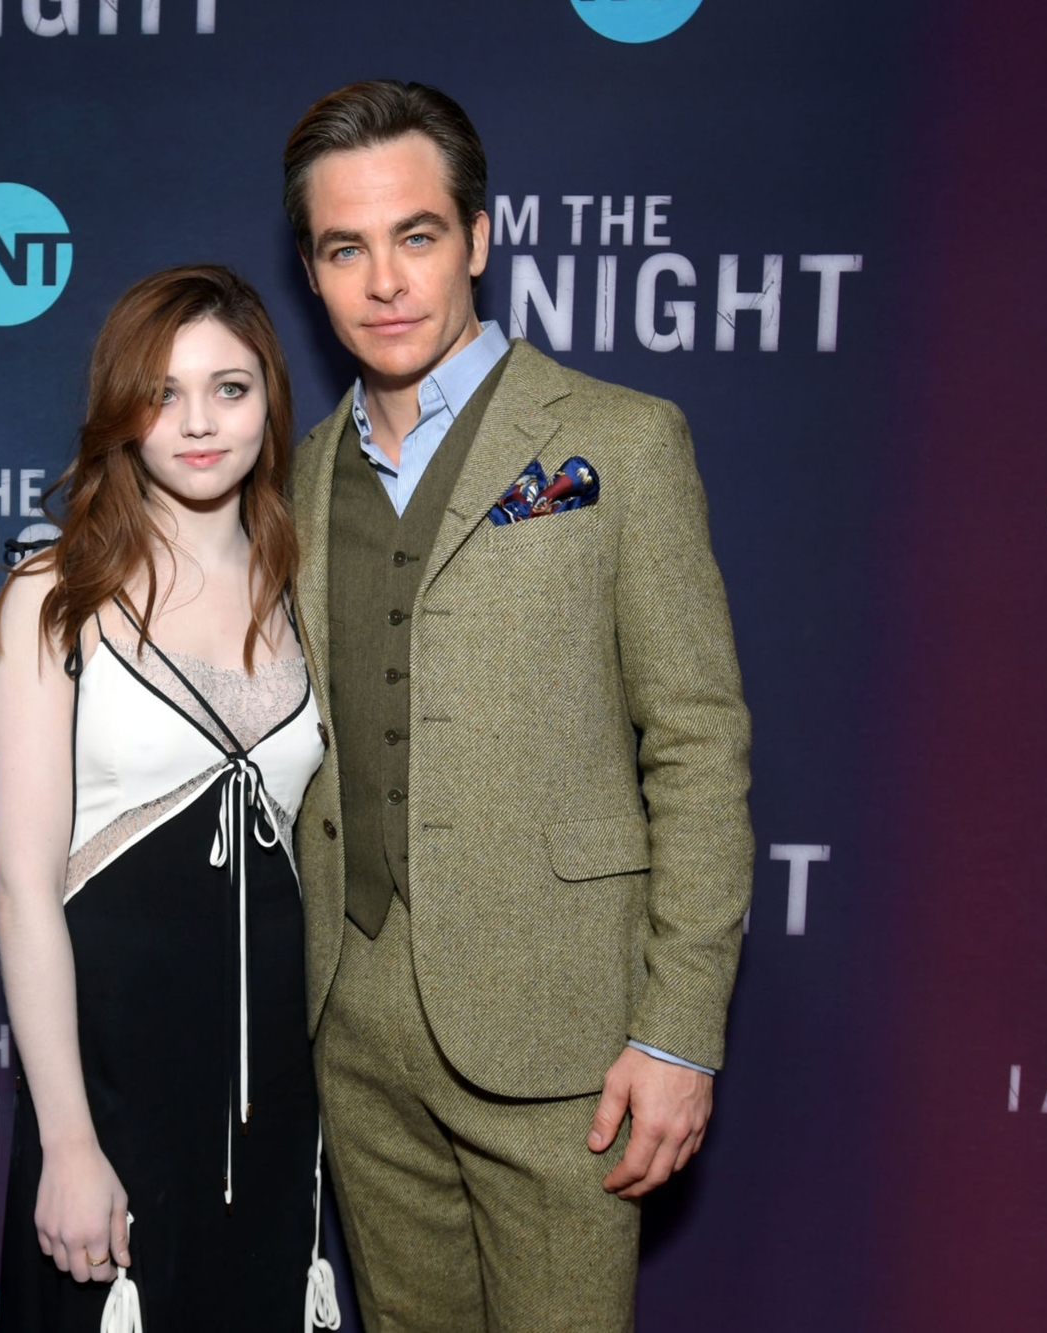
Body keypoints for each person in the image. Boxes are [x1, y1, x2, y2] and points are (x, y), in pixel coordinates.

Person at [282, 82, 755, 1331]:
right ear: (312, 272)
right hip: (350, 1026)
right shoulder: (292, 478)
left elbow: (696, 745)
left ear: (479, 238)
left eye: (416, 235)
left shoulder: (620, 440)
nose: (386, 281)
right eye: (345, 248)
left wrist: (678, 1032)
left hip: (562, 1038)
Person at [0, 266, 339, 1331]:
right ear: (120, 409)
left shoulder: (309, 585)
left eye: (229, 388)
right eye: (163, 392)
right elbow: (23, 890)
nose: (198, 422)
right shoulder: (55, 594)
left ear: (270, 401)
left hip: (280, 1096)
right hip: (113, 1090)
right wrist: (69, 1142)